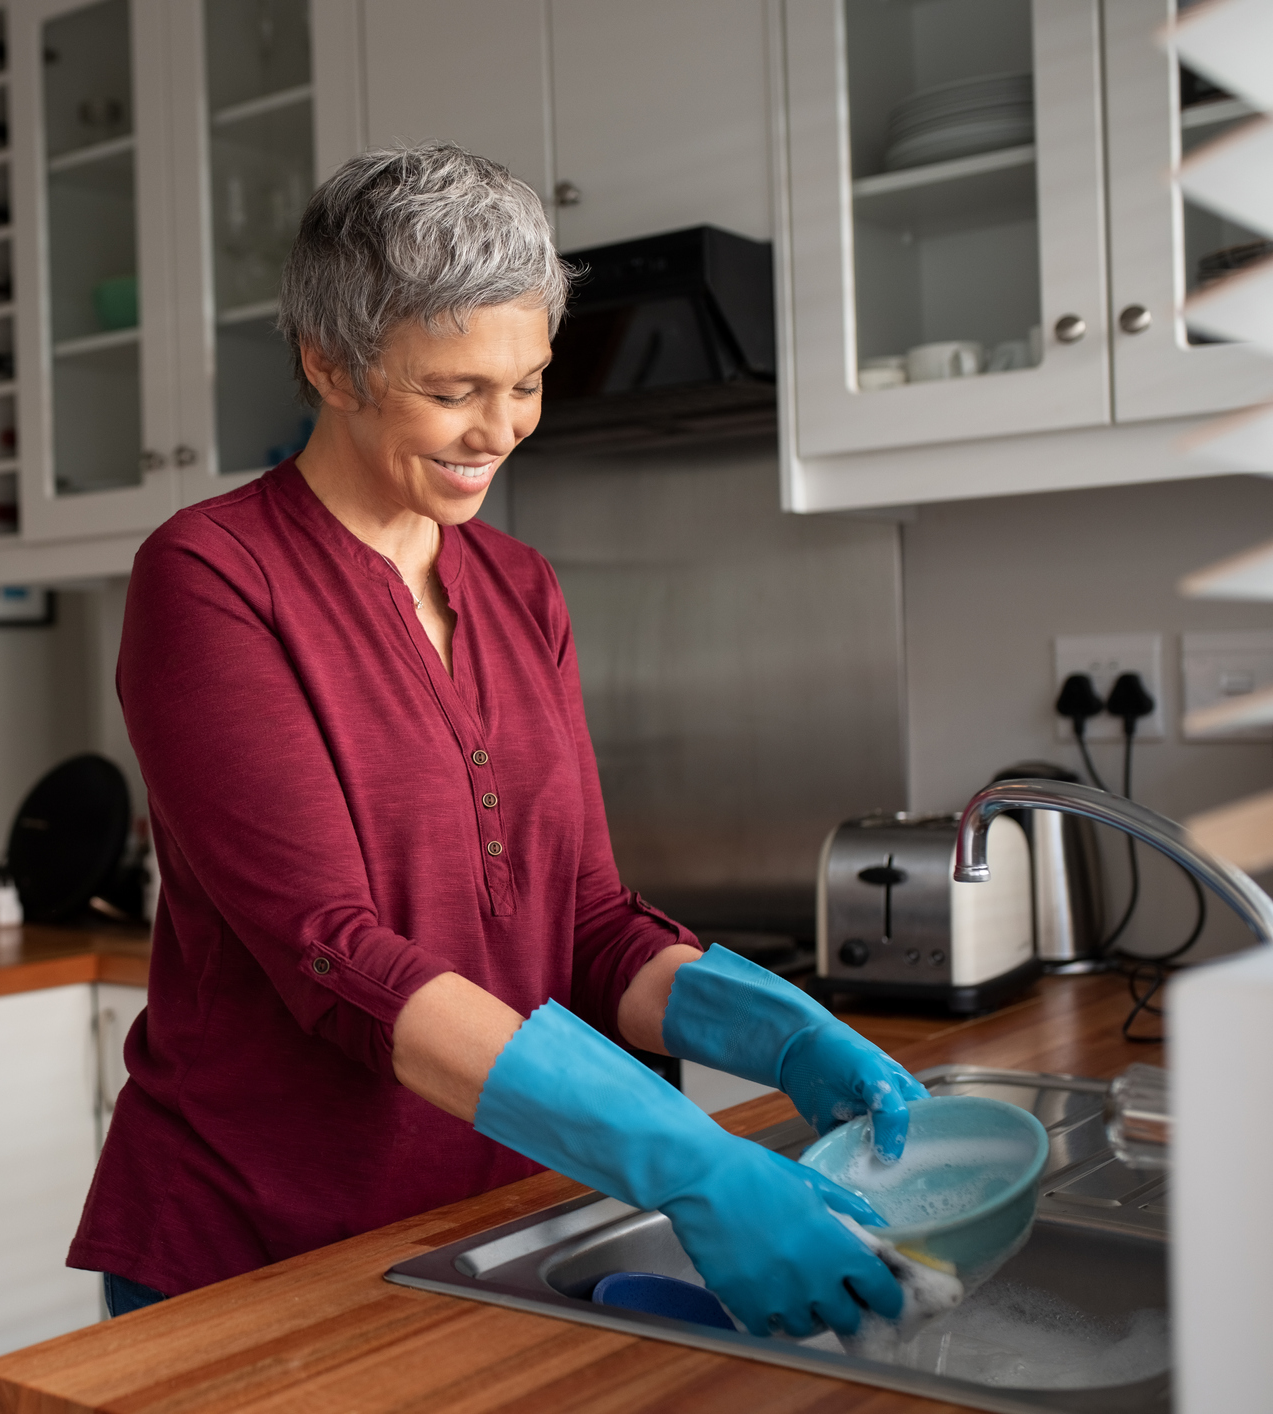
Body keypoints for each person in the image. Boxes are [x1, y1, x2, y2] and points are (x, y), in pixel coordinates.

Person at [65, 143, 926, 1338]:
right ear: (330, 363)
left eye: (526, 381)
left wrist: (783, 1033)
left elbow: (581, 922)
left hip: (497, 1220)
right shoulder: (211, 578)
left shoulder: (519, 587)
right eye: (453, 388)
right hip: (256, 1245)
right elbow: (335, 956)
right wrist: (691, 1161)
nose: (502, 427)